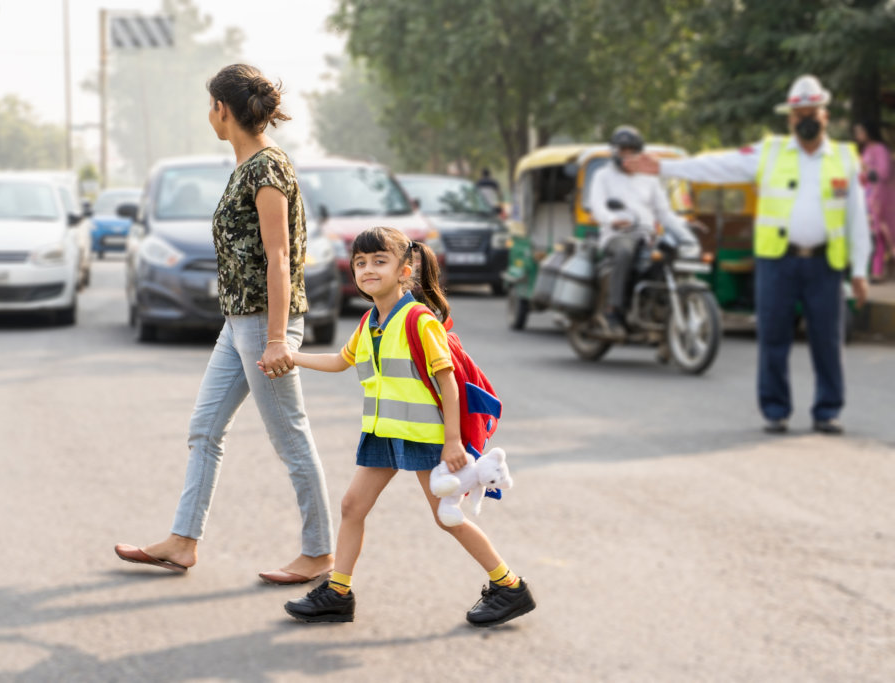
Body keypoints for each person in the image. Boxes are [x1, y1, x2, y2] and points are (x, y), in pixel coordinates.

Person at [114, 64, 335, 583]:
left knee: (291, 438)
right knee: (205, 429)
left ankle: (320, 551)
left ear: (223, 109)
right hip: (238, 323)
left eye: (210, 104)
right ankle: (183, 541)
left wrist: (279, 339)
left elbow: (279, 258)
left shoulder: (267, 169)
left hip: (264, 326)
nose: (207, 114)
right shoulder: (245, 167)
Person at [269, 226, 536, 627]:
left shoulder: (419, 320)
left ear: (405, 271)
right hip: (383, 433)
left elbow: (447, 382)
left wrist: (451, 442)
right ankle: (338, 593)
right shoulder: (370, 322)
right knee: (351, 506)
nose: (367, 269)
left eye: (379, 261)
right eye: (360, 263)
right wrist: (293, 356)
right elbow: (342, 361)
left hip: (424, 437)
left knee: (447, 517)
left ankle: (509, 586)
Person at [625, 74, 870, 435]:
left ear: (825, 115)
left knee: (828, 341)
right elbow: (716, 166)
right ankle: (775, 410)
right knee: (773, 337)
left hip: (824, 264)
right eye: (798, 112)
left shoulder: (845, 159)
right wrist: (664, 167)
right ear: (789, 118)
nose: (805, 118)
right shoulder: (769, 153)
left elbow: (857, 219)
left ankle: (827, 410)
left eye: (812, 112)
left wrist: (861, 271)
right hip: (777, 261)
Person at [590, 125, 697, 340]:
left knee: (670, 259)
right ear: (615, 152)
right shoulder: (603, 175)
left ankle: (660, 313)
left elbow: (664, 213)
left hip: (647, 237)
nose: (628, 155)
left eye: (632, 151)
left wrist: (683, 227)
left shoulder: (649, 179)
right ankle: (614, 312)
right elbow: (597, 206)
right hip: (618, 235)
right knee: (624, 253)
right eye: (623, 151)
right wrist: (613, 219)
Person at [853, 120, 895, 280]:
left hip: (882, 198)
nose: (857, 135)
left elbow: (884, 172)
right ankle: (877, 272)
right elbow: (864, 176)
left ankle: (878, 272)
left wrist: (867, 171)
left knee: (886, 234)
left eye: (860, 131)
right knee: (875, 236)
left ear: (869, 131)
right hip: (869, 198)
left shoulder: (879, 149)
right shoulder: (866, 150)